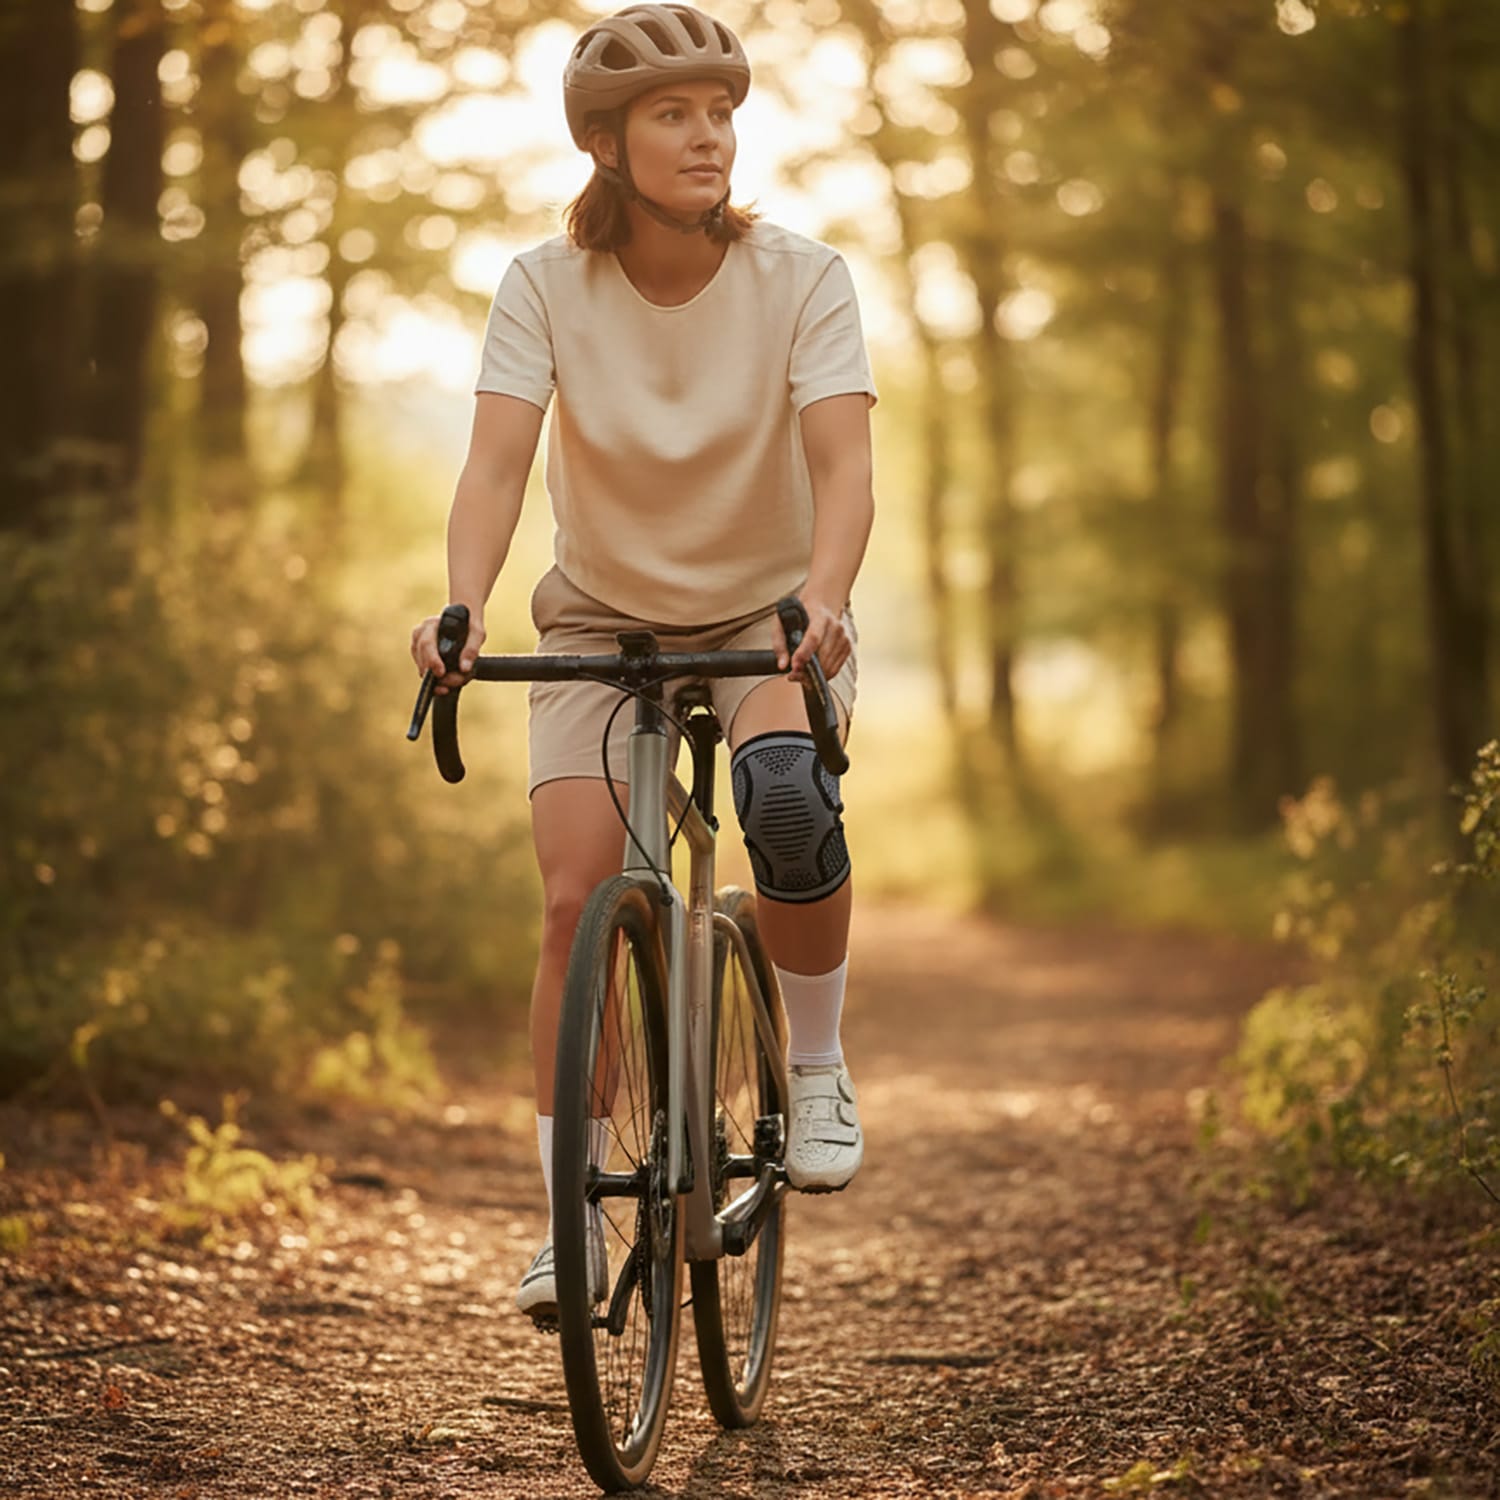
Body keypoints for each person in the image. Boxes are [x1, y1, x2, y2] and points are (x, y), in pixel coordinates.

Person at [408, 2, 877, 1323]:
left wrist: (824, 599)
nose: (709, 134)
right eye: (675, 114)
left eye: (721, 111)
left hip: (765, 620)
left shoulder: (805, 277)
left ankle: (823, 1062)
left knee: (786, 800)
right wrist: (460, 606)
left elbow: (845, 466)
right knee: (575, 899)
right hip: (598, 629)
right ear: (606, 145)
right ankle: (568, 1219)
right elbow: (496, 465)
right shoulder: (543, 285)